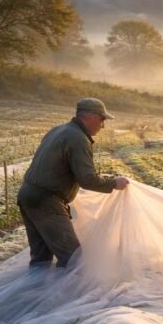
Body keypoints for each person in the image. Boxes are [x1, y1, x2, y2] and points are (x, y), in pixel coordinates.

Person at [16, 98, 130, 268]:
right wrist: (114, 183)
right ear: (90, 117)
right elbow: (87, 180)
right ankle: (68, 293)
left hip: (27, 195)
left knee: (41, 260)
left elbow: (60, 166)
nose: (103, 125)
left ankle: (37, 293)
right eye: (102, 119)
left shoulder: (59, 130)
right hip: (46, 201)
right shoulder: (78, 138)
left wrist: (104, 177)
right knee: (74, 260)